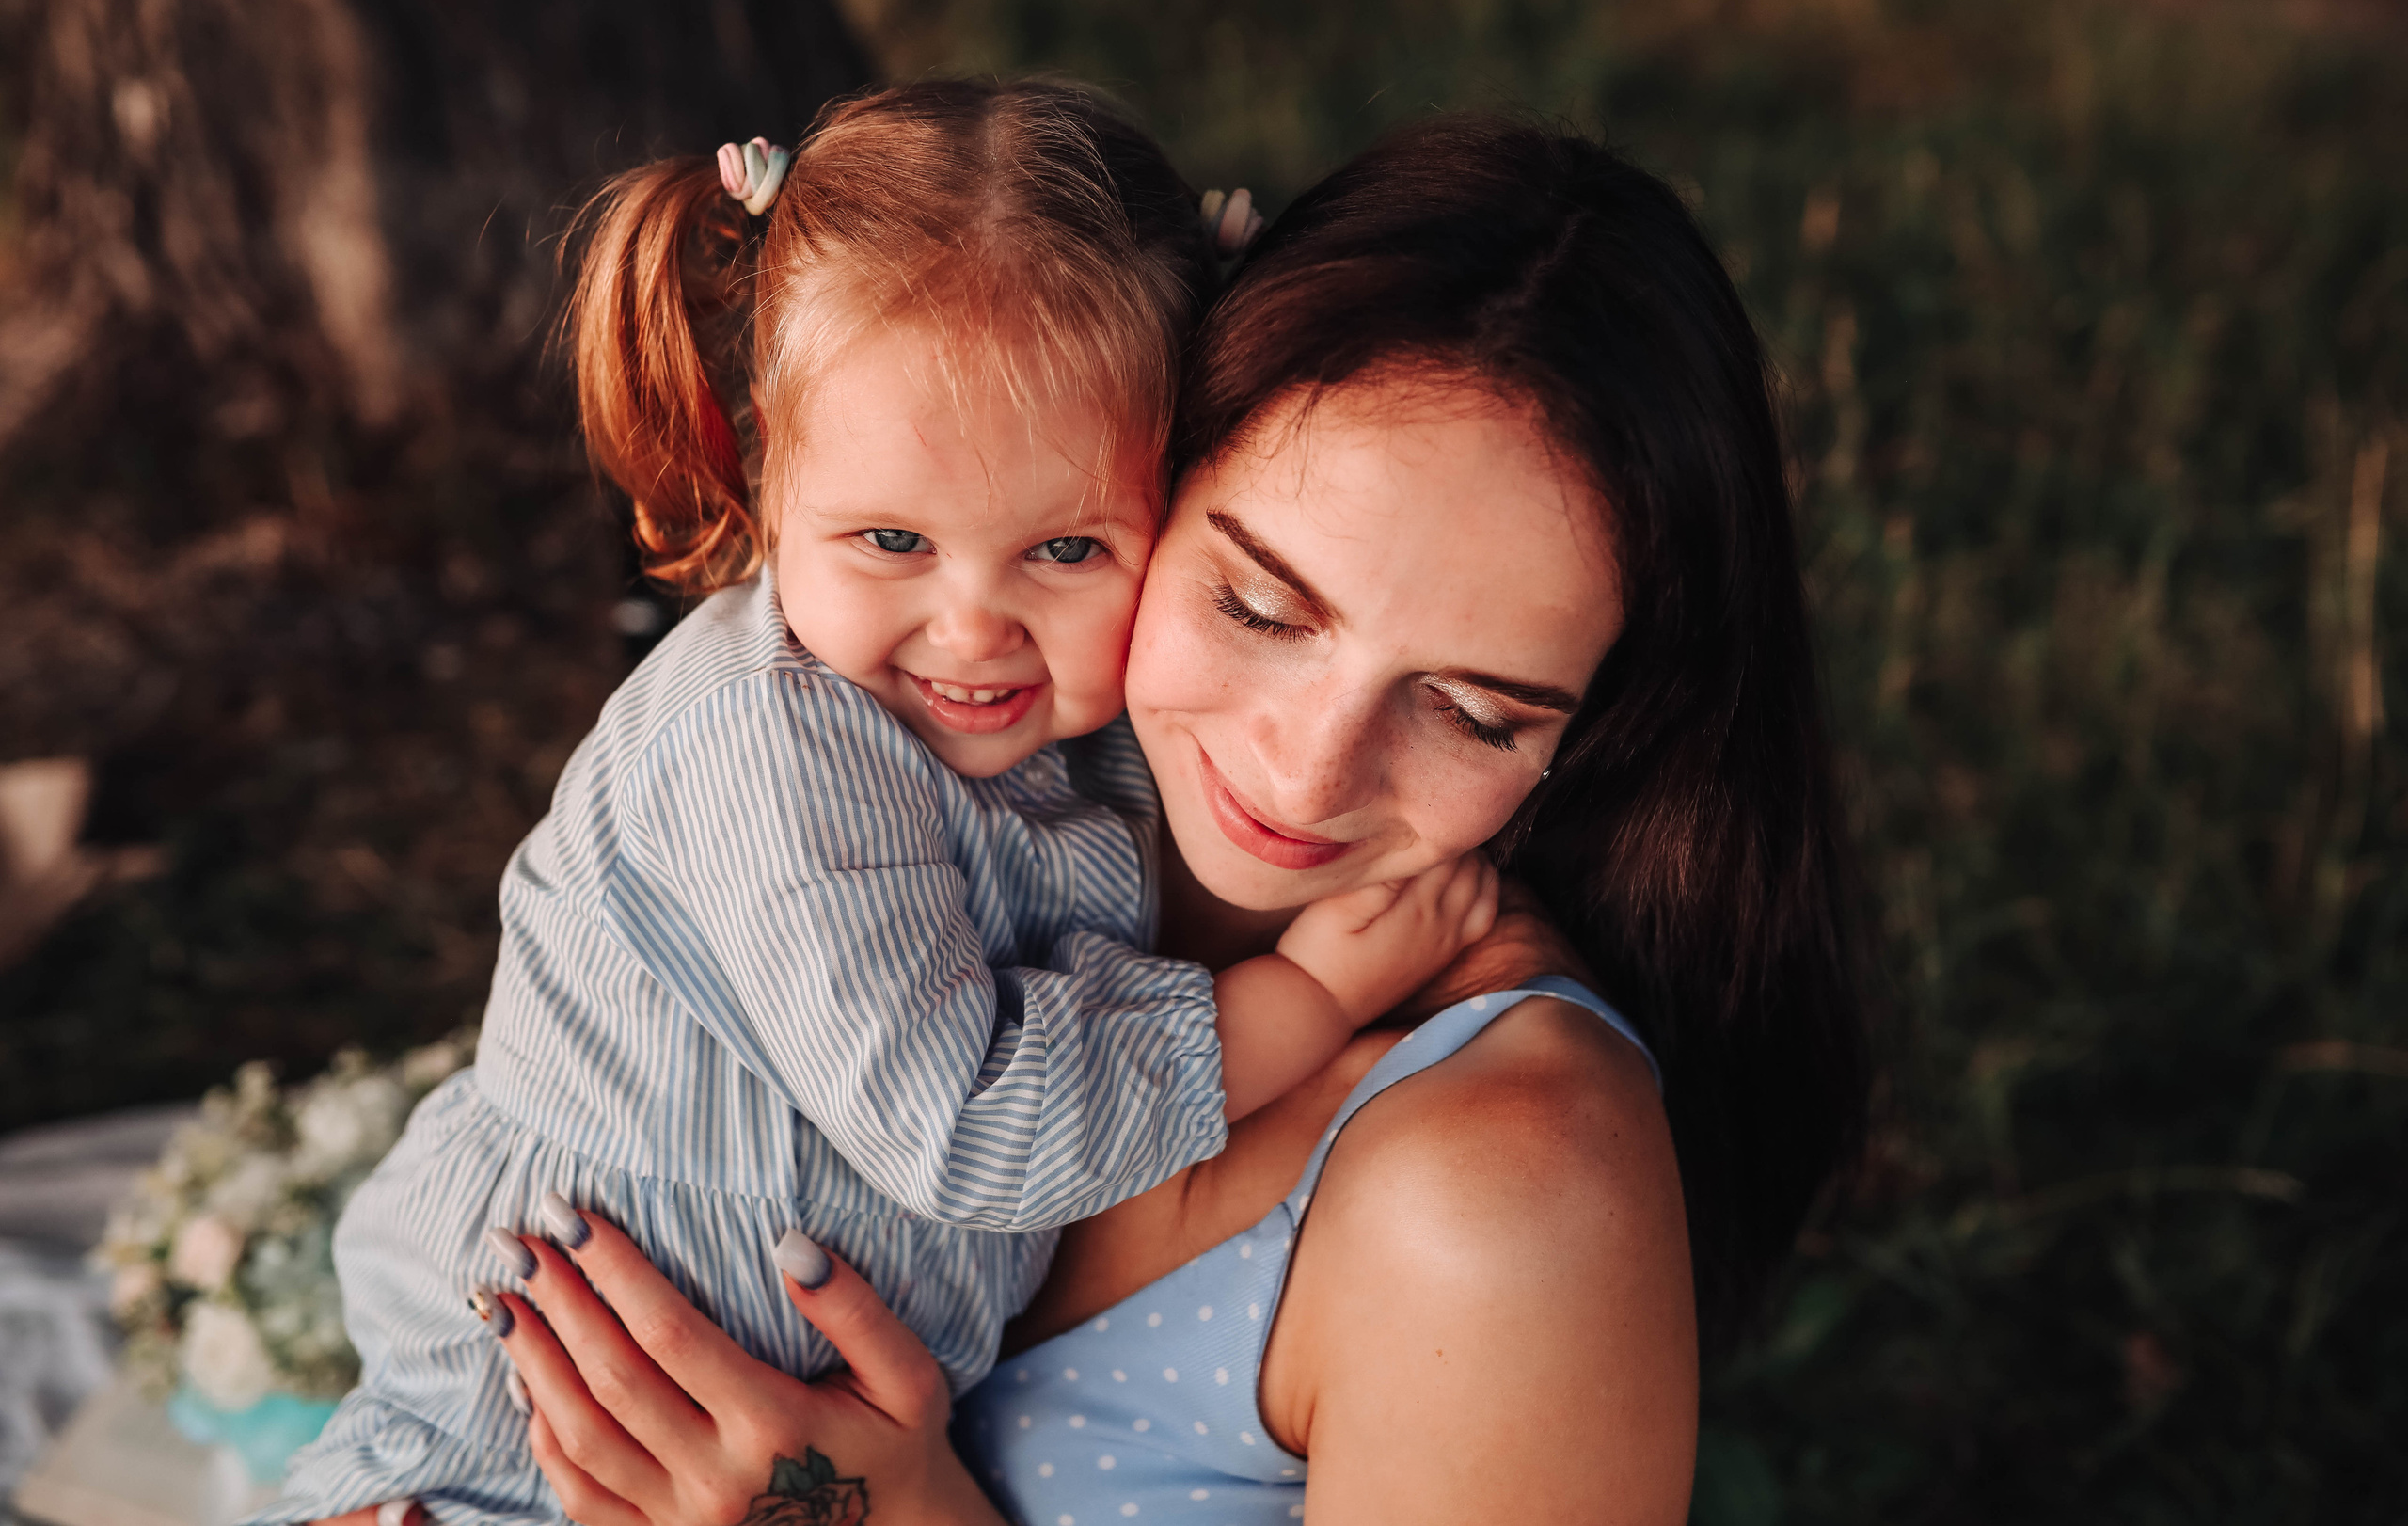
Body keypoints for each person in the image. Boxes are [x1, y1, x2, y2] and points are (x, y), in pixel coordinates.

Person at [425, 114, 1874, 1525]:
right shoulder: (933, 770)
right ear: (1141, 457)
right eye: (1255, 604)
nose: (1307, 775)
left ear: (1606, 717)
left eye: (1476, 711)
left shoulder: (1503, 1204)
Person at [262, 81, 1496, 1526]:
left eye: (1068, 547)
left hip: (742, 1431)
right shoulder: (774, 748)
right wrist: (1306, 998)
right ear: (775, 464)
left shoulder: (1060, 729)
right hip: (521, 1435)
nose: (972, 626)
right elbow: (965, 1129)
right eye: (893, 538)